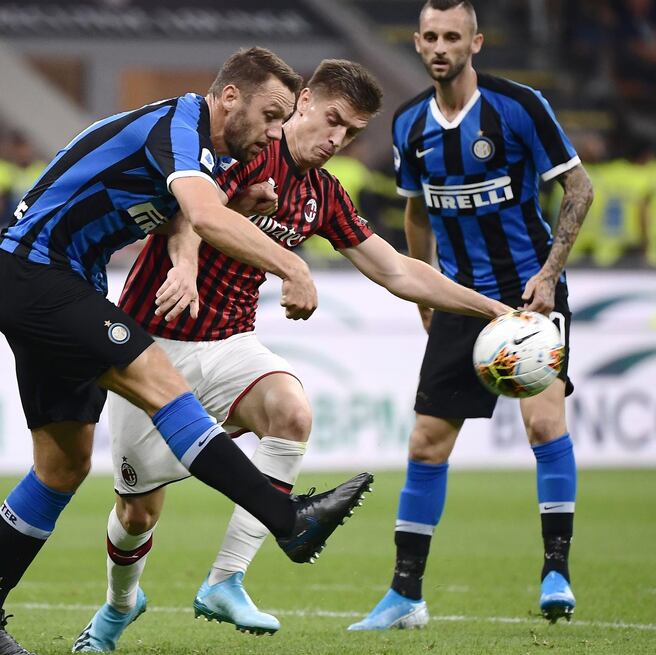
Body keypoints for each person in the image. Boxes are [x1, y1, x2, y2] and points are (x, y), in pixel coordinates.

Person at [71, 58, 511, 652]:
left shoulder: (324, 194)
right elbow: (185, 212)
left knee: (292, 413)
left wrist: (491, 310)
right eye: (331, 121)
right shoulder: (245, 148)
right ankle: (117, 610)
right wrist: (186, 263)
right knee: (137, 516)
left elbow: (397, 270)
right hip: (153, 344)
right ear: (302, 102)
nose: (336, 140)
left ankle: (226, 579)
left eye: (351, 132)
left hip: (230, 344)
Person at [0, 47, 375, 655]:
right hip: (39, 273)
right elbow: (202, 214)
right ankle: (289, 522)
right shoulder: (178, 126)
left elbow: (187, 214)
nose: (275, 133)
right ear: (229, 98)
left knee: (61, 467)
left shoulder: (198, 149)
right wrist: (291, 267)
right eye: (271, 116)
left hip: (57, 280)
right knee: (162, 384)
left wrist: (231, 216)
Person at [348, 0, 594, 631]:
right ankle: (405, 595)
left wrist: (549, 275)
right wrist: (426, 293)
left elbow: (580, 188)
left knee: (544, 424)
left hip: (528, 295)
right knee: (427, 442)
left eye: (451, 36)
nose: (439, 47)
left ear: (475, 43)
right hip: (459, 298)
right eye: (429, 36)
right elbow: (418, 215)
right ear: (416, 41)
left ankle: (556, 572)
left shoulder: (519, 107)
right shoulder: (407, 124)